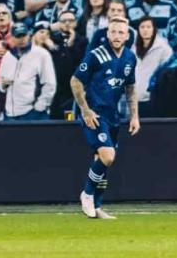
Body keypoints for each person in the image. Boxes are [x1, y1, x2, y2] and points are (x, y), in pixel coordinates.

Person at [71, 17, 140, 219]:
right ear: (107, 34)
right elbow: (75, 81)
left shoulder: (130, 57)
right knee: (108, 156)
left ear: (127, 36)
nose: (117, 35)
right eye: (113, 31)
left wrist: (135, 116)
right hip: (95, 113)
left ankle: (97, 206)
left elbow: (130, 88)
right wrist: (85, 110)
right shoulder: (96, 55)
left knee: (101, 161)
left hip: (112, 115)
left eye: (121, 32)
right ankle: (87, 194)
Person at [0, 22, 56, 120]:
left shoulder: (41, 54)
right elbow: (1, 82)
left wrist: (39, 108)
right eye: (18, 36)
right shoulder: (8, 56)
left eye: (23, 35)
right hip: (10, 114)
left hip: (32, 113)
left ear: (29, 35)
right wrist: (3, 84)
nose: (22, 39)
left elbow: (50, 84)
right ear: (12, 38)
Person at [132, 17, 172, 117]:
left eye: (148, 27)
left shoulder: (163, 48)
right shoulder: (134, 47)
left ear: (154, 29)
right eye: (142, 27)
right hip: (136, 98)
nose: (145, 30)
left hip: (154, 98)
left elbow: (168, 73)